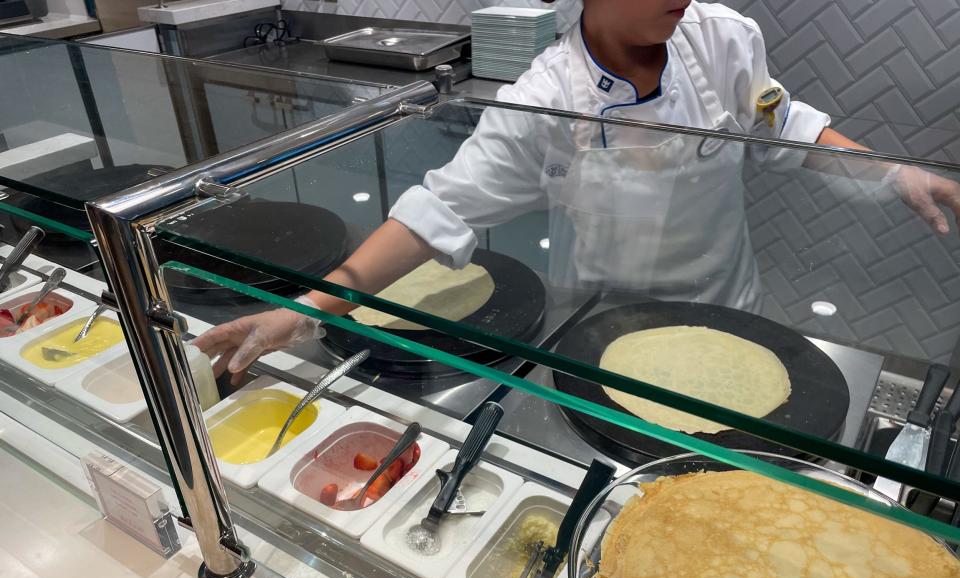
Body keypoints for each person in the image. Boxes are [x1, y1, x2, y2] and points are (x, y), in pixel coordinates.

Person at [196, 0, 960, 385]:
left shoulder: (725, 38)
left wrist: (892, 170)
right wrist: (301, 313)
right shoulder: (544, 96)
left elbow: (783, 121)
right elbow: (440, 211)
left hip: (727, 312)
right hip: (599, 327)